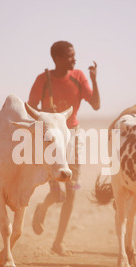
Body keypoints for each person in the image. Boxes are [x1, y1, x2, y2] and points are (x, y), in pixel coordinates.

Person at [28, 40, 100, 255]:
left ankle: (58, 242)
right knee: (58, 193)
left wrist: (95, 80)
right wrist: (46, 113)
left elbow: (96, 105)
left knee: (72, 192)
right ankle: (43, 207)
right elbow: (30, 109)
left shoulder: (78, 77)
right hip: (51, 140)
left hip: (73, 137)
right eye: (70, 56)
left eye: (74, 55)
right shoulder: (43, 80)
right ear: (57, 59)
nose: (75, 59)